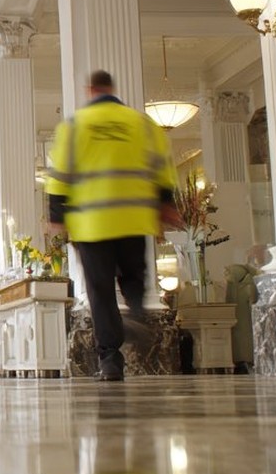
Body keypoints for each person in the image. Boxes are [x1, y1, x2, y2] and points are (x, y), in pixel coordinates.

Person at [45, 70, 180, 382]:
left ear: (91, 90)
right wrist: (166, 205)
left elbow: (60, 174)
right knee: (134, 278)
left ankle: (110, 360)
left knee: (101, 291)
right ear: (112, 89)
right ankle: (137, 313)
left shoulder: (75, 126)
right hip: (134, 219)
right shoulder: (141, 124)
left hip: (91, 223)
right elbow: (162, 169)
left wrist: (56, 215)